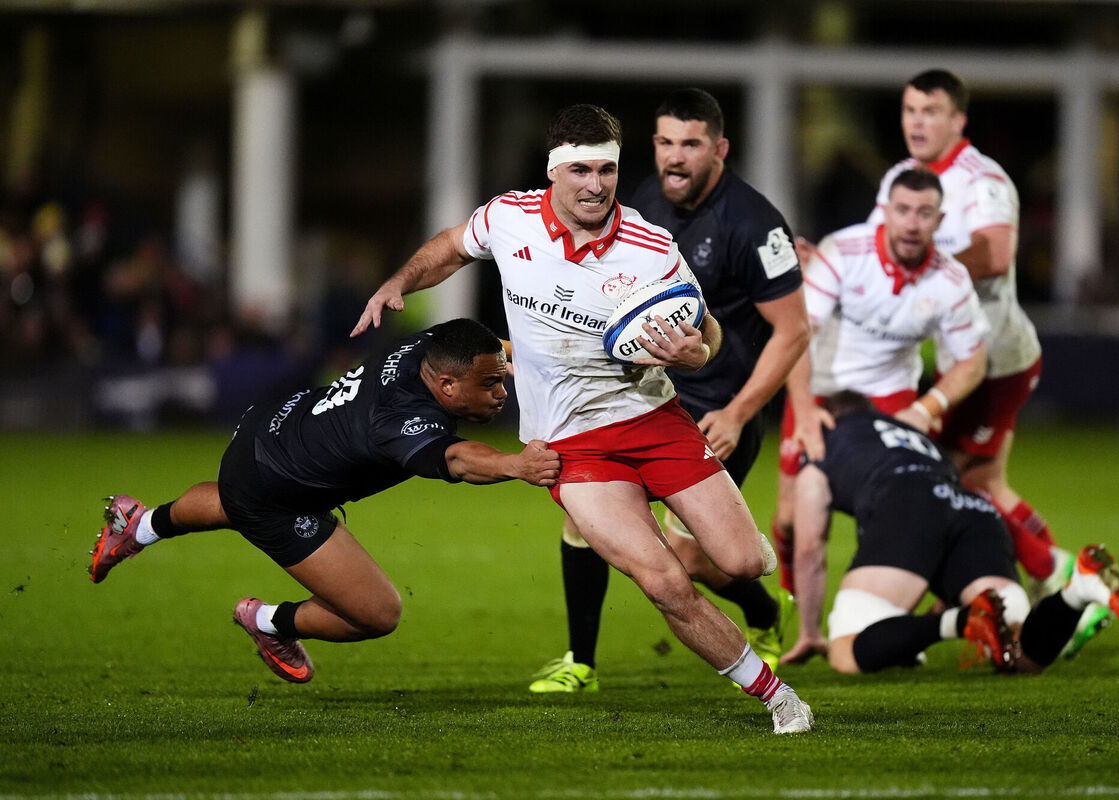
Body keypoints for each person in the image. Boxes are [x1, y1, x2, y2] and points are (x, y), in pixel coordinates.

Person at [351, 103, 813, 734]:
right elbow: (454, 246)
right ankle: (777, 697)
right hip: (572, 447)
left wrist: (695, 353)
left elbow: (707, 332)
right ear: (554, 172)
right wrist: (399, 281)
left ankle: (737, 558)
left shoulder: (651, 245)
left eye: (606, 170)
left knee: (738, 563)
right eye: (581, 171)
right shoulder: (511, 219)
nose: (595, 185)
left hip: (653, 419)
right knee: (663, 582)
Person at [89, 318, 562, 683]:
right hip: (276, 491)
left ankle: (139, 524)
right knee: (378, 613)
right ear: (446, 386)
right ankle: (269, 622)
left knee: (232, 499)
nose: (503, 393)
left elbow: (481, 347)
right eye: (490, 385)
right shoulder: (398, 421)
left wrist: (539, 356)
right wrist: (515, 464)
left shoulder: (431, 345)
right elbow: (457, 459)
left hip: (270, 426)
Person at [528, 88, 810, 693]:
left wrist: (738, 412)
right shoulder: (642, 202)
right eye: (664, 143)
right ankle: (582, 662)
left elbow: (794, 330)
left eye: (691, 144)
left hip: (717, 409)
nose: (675, 158)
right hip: (640, 398)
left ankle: (761, 609)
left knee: (707, 557)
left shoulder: (753, 223)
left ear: (720, 149)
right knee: (585, 522)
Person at [864, 69, 1076, 613]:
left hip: (996, 359)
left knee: (958, 478)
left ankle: (1064, 582)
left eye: (930, 111)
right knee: (978, 479)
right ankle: (1047, 584)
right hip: (953, 362)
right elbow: (871, 252)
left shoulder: (982, 180)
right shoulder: (902, 180)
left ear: (958, 120)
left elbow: (996, 253)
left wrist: (921, 269)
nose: (917, 121)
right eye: (910, 110)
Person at [773, 168, 990, 660]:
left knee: (901, 510)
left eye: (924, 213)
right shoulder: (843, 253)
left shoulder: (951, 280)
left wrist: (928, 407)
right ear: (885, 209)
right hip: (822, 394)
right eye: (903, 210)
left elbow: (973, 359)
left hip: (892, 398)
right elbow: (795, 335)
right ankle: (797, 619)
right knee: (789, 522)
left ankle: (893, 625)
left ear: (940, 219)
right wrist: (805, 412)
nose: (913, 223)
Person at [784, 389, 1119, 674]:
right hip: (973, 508)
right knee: (1020, 654)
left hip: (906, 504)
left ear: (827, 417)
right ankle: (1078, 590)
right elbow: (934, 535)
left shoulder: (822, 439)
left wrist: (810, 632)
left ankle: (962, 620)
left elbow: (809, 546)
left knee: (845, 650)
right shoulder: (913, 435)